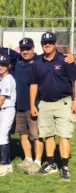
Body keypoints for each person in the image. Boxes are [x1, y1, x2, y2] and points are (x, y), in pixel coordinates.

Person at [30, 32, 76, 181]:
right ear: (41, 45)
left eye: (50, 42)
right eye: (45, 43)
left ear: (56, 44)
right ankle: (50, 164)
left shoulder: (65, 61)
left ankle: (64, 167)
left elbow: (74, 80)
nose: (47, 45)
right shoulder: (37, 62)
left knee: (64, 135)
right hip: (44, 104)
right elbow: (34, 84)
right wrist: (32, 104)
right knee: (48, 135)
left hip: (63, 102)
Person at [13, 38, 44, 174]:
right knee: (23, 134)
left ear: (33, 48)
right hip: (20, 104)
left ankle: (37, 162)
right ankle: (28, 158)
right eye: (23, 49)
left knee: (36, 135)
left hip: (34, 105)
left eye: (28, 49)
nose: (25, 51)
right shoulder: (17, 61)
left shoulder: (40, 60)